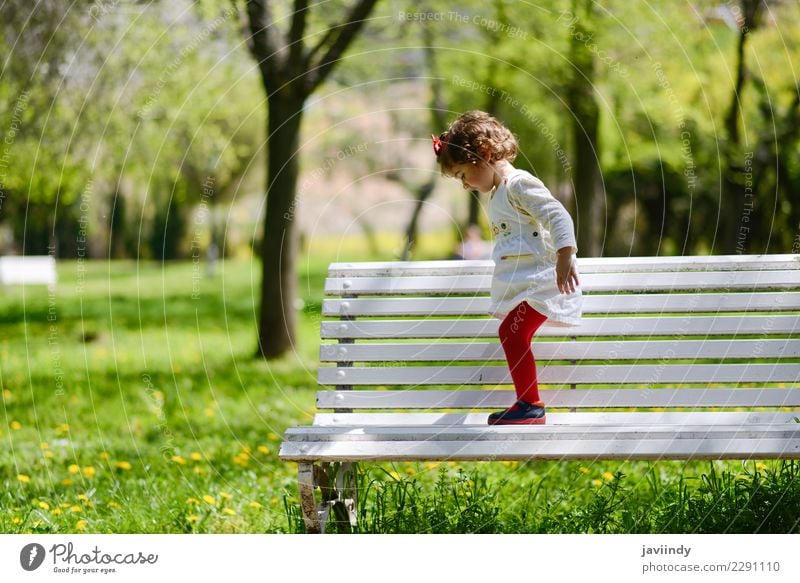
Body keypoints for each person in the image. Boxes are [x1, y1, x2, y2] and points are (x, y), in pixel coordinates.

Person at [432, 110, 581, 425]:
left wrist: (566, 255)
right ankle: (529, 404)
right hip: (529, 283)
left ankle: (530, 404)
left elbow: (558, 215)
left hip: (544, 281)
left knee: (511, 333)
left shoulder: (518, 184)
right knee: (512, 333)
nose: (465, 185)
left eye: (462, 175)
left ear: (482, 155)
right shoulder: (499, 193)